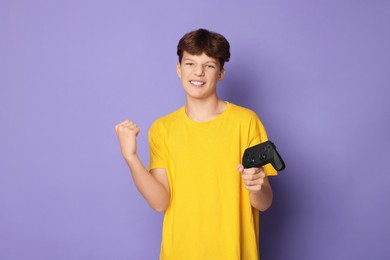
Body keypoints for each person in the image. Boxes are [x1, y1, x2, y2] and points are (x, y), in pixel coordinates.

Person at [115, 28, 278, 260]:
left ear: (221, 73)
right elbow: (160, 202)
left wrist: (258, 186)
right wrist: (131, 157)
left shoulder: (247, 122)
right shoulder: (163, 129)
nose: (198, 72)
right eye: (190, 63)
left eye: (209, 65)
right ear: (179, 69)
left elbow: (264, 203)